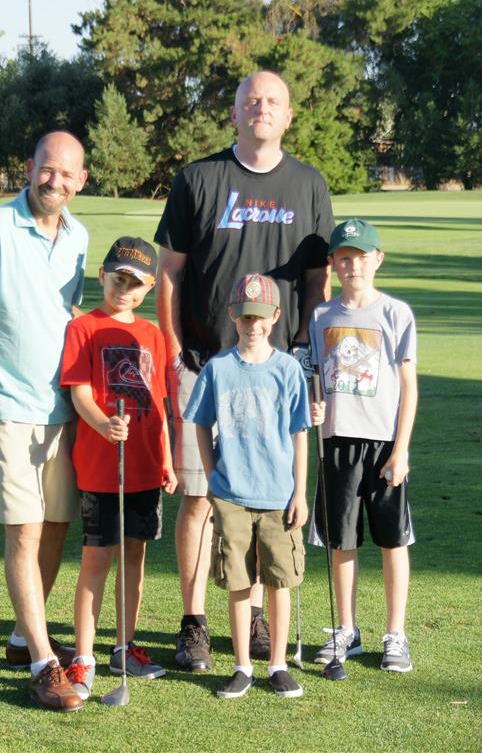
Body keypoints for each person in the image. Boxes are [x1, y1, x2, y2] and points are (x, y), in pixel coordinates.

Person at [155, 69, 333, 672]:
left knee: (261, 498)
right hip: (205, 362)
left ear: (288, 115)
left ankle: (253, 615)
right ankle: (194, 623)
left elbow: (316, 281)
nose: (262, 108)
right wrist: (174, 348)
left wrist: (305, 352)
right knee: (201, 497)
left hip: (276, 371)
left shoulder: (308, 184)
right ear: (234, 113)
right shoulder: (198, 179)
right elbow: (170, 271)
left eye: (273, 101)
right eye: (251, 101)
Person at [0, 130, 89, 712]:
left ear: (82, 181)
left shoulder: (78, 237)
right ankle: (42, 663)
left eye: (66, 173)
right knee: (24, 532)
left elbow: (68, 313)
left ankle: (20, 637)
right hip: (7, 408)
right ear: (29, 168)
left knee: (56, 526)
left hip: (62, 408)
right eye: (46, 169)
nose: (54, 181)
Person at [59, 236, 177, 699]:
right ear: (102, 275)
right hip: (101, 467)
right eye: (118, 279)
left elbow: (159, 403)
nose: (124, 289)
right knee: (97, 560)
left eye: (136, 283)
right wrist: (104, 424)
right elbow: (79, 392)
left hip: (145, 466)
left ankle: (124, 646)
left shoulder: (152, 335)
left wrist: (167, 459)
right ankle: (84, 657)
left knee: (135, 559)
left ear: (149, 288)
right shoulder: (83, 327)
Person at [182, 273, 311, 699]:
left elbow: (299, 433)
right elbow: (201, 423)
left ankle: (277, 665)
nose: (252, 325)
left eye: (259, 317)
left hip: (279, 496)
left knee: (279, 582)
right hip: (232, 495)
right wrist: (212, 475)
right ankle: (242, 666)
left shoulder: (288, 369)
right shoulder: (219, 369)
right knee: (238, 581)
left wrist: (300, 492)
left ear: (275, 317)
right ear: (232, 316)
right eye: (244, 317)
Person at [308, 218, 419, 674]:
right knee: (342, 540)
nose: (353, 265)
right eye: (344, 258)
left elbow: (409, 387)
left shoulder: (395, 313)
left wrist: (401, 450)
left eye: (361, 257)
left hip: (384, 444)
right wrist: (314, 406)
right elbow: (316, 378)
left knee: (392, 540)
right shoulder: (321, 316)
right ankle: (347, 630)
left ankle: (395, 633)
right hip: (337, 442)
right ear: (333, 263)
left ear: (378, 260)